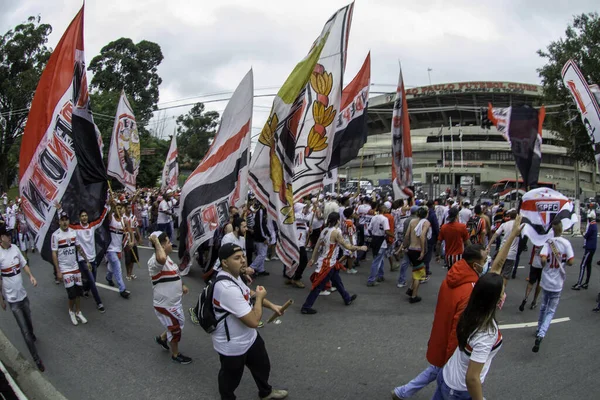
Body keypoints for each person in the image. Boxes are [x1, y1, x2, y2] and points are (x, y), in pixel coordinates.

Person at [391, 215, 522, 399]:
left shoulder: (465, 280)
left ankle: (402, 392)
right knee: (436, 372)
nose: (489, 264)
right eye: (502, 290)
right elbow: (472, 378)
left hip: (450, 367)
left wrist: (513, 235)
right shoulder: (478, 312)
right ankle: (402, 392)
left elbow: (497, 266)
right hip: (457, 380)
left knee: (435, 372)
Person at [211, 243, 288, 400]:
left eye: (243, 256)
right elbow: (253, 320)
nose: (243, 261)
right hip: (232, 345)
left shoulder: (235, 277)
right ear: (224, 262)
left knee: (262, 366)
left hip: (249, 338)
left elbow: (250, 294)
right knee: (229, 380)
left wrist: (273, 306)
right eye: (237, 258)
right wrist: (260, 298)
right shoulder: (226, 288)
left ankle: (265, 392)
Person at [432, 273, 504, 400]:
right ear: (495, 299)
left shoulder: (470, 309)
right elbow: (472, 378)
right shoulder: (486, 333)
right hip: (458, 390)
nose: (504, 295)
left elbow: (495, 270)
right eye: (502, 293)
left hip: (446, 375)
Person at [301, 212, 366, 314]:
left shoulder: (325, 230)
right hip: (328, 263)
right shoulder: (335, 232)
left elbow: (317, 246)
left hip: (328, 262)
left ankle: (347, 298)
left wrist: (313, 258)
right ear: (337, 221)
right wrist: (360, 247)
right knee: (318, 286)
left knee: (337, 281)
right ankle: (306, 306)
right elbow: (347, 246)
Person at [0, 227, 44, 371]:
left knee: (29, 322)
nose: (10, 236)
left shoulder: (15, 249)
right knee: (24, 330)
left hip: (23, 296)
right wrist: (1, 298)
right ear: (1, 238)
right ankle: (36, 358)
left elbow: (24, 264)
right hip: (13, 301)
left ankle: (32, 334)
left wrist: (31, 276)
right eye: (7, 235)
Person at [149, 232, 192, 364]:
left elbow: (176, 274)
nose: (170, 244)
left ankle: (162, 339)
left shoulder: (168, 258)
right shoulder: (155, 261)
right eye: (167, 242)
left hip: (174, 302)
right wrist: (156, 242)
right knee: (176, 328)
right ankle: (175, 354)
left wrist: (182, 285)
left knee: (179, 323)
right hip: (165, 304)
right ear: (161, 246)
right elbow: (160, 259)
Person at [533, 219, 574, 353]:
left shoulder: (548, 243)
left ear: (552, 230)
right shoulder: (566, 243)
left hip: (546, 280)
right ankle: (541, 334)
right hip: (557, 282)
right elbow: (571, 261)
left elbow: (543, 258)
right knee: (551, 311)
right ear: (562, 229)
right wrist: (563, 263)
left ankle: (539, 328)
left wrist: (546, 265)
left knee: (543, 306)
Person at [51, 211, 89, 325]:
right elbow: (54, 254)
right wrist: (58, 271)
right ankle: (71, 311)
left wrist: (87, 260)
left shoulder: (73, 233)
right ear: (59, 222)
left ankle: (78, 311)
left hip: (75, 266)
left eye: (66, 220)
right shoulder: (55, 235)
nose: (64, 222)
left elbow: (78, 247)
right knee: (71, 294)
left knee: (79, 292)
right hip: (65, 268)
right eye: (62, 220)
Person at [68, 207, 108, 313]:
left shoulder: (92, 226)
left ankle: (85, 290)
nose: (84, 217)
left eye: (85, 216)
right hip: (83, 259)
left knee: (92, 280)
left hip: (93, 258)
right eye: (82, 216)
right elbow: (66, 223)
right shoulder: (76, 228)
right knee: (92, 281)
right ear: (79, 218)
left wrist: (107, 206)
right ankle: (99, 302)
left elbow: (101, 219)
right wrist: (59, 211)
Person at [404, 207, 431, 303]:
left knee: (416, 270)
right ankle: (414, 296)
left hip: (411, 249)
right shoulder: (426, 223)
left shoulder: (412, 221)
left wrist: (404, 246)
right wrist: (423, 251)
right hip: (418, 250)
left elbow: (407, 235)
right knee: (419, 275)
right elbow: (422, 236)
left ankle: (411, 289)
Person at [105, 199, 131, 299]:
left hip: (119, 248)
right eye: (117, 208)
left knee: (112, 267)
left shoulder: (124, 221)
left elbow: (130, 231)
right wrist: (112, 206)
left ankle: (108, 277)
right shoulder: (111, 218)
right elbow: (108, 215)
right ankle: (122, 289)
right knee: (118, 267)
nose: (119, 210)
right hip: (110, 248)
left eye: (120, 208)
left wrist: (132, 241)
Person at [487, 209, 518, 287]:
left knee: (498, 271)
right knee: (506, 275)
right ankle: (502, 291)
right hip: (512, 253)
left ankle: (496, 288)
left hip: (502, 251)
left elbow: (495, 235)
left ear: (509, 216)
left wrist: (489, 244)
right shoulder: (519, 226)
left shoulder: (504, 224)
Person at [367, 204, 392, 287]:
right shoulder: (385, 219)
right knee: (376, 261)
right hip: (381, 240)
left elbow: (369, 229)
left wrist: (373, 235)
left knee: (380, 259)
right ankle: (371, 279)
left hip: (375, 239)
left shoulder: (374, 217)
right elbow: (387, 231)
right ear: (383, 210)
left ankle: (380, 275)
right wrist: (393, 236)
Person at [572, 211, 597, 290]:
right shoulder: (595, 225)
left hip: (589, 248)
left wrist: (582, 232)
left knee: (583, 265)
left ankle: (579, 284)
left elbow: (586, 236)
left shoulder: (592, 226)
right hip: (592, 248)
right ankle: (586, 283)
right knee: (588, 265)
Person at [519, 245, 543, 311]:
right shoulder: (548, 240)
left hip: (534, 263)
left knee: (531, 282)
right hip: (542, 264)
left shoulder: (536, 239)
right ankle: (534, 301)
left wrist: (531, 261)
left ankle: (526, 297)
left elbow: (533, 251)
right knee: (539, 282)